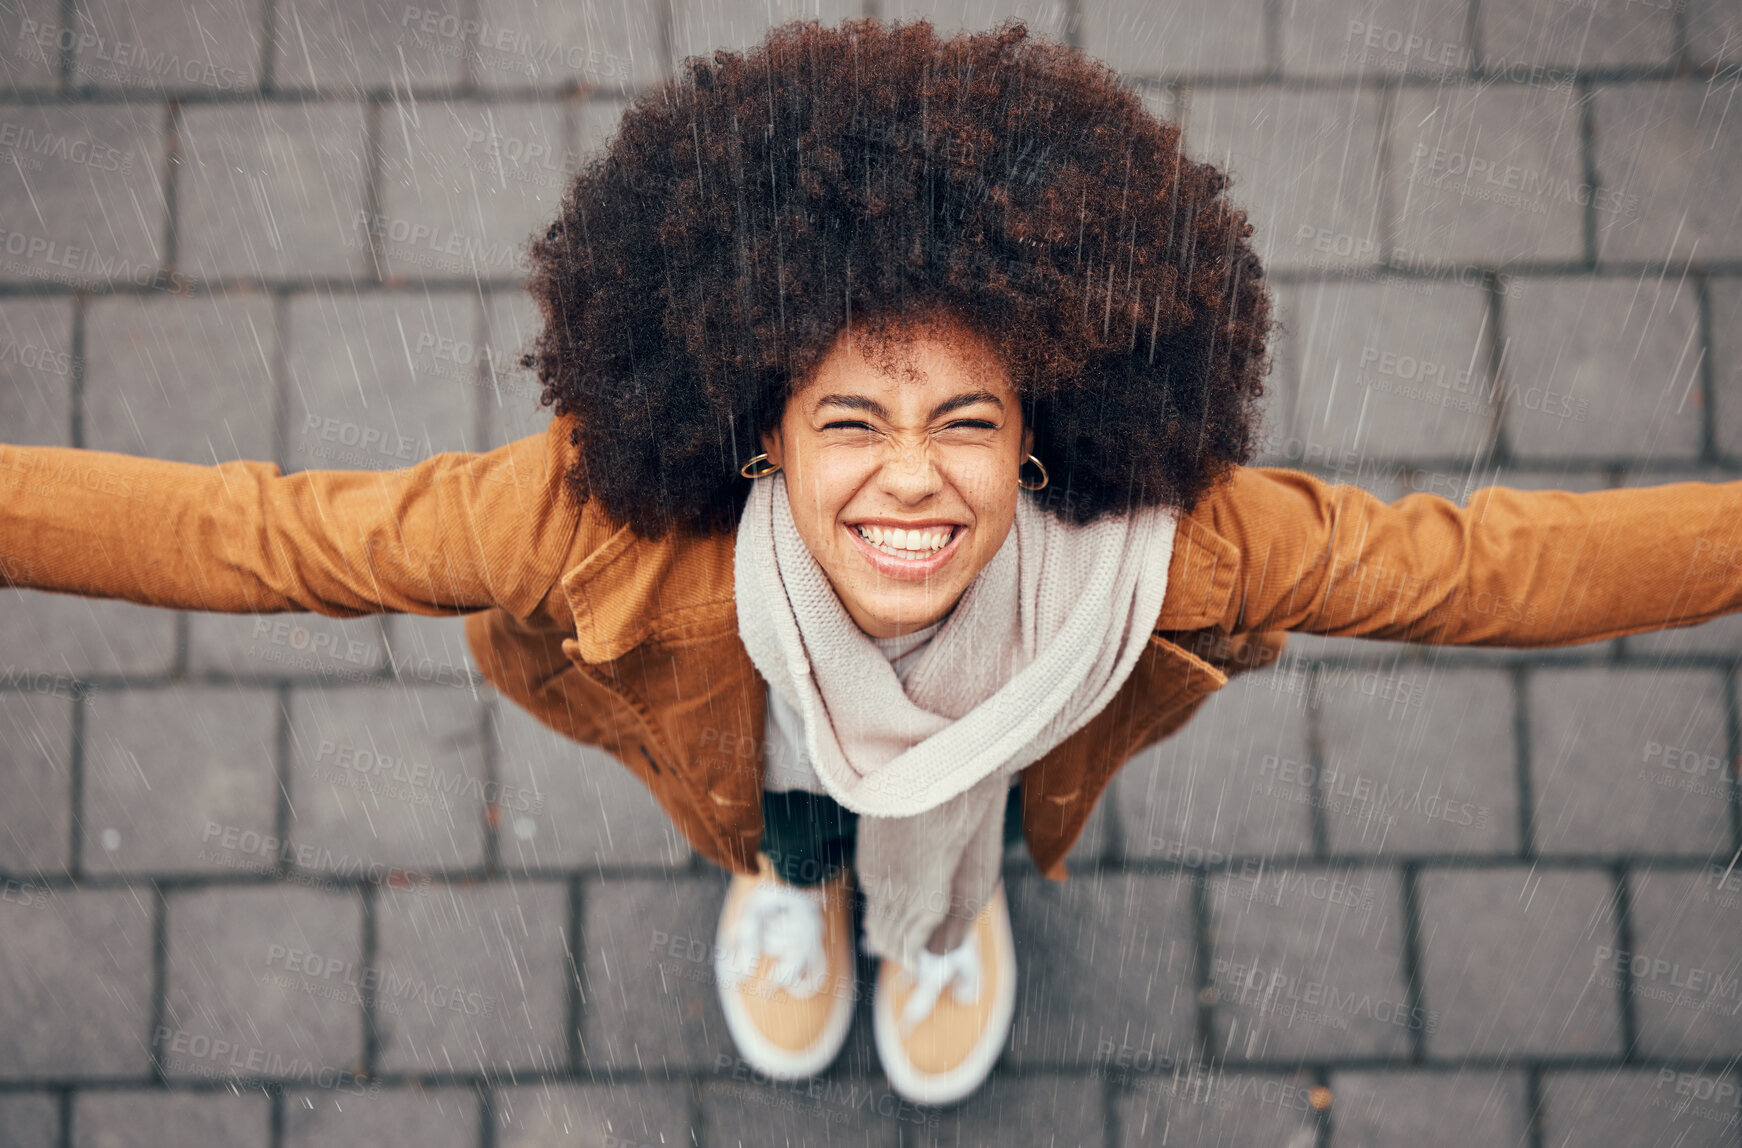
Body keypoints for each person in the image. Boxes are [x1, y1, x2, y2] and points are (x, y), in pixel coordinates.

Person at [3, 17, 1740, 1107]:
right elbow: (261, 537)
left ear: (1042, 429)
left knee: (955, 842)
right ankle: (802, 897)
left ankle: (938, 929)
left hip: (995, 786)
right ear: (759, 428)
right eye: (850, 424)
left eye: (966, 425)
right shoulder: (593, 520)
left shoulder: (1174, 547)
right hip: (761, 774)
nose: (910, 486)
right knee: (792, 835)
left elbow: (1477, 569)